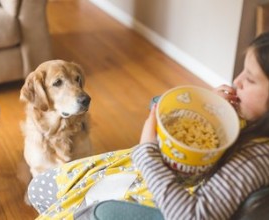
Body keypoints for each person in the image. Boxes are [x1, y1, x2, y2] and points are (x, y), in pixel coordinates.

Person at [27, 32, 269, 220]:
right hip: (168, 172)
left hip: (165, 193)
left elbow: (191, 216)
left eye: (249, 79)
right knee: (38, 187)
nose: (236, 82)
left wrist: (146, 150)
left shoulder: (255, 159)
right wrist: (211, 107)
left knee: (63, 200)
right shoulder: (254, 125)